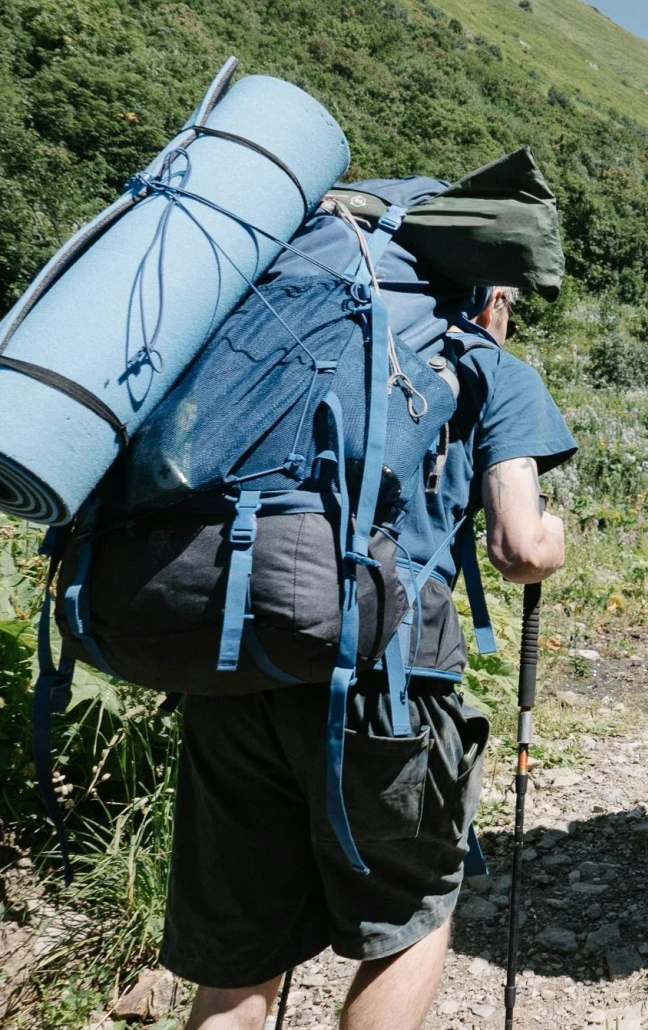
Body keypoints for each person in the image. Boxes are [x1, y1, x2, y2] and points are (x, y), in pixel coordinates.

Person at [166, 285, 574, 1030]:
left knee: (238, 968)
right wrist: (554, 536)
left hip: (236, 658)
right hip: (385, 679)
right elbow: (519, 548)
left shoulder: (287, 337)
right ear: (492, 298)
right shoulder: (489, 367)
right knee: (408, 919)